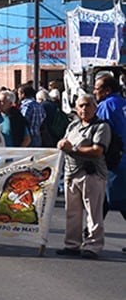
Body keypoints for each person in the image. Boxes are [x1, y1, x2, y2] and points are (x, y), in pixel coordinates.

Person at [56, 94, 109, 259]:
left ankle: (93, 246)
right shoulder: (73, 126)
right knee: (72, 212)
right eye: (81, 106)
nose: (84, 109)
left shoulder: (101, 127)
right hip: (71, 174)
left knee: (93, 213)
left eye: (87, 105)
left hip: (91, 174)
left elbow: (97, 150)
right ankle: (72, 244)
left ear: (95, 108)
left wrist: (72, 149)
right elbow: (65, 142)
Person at [91, 74, 126, 220]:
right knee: (105, 199)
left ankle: (91, 233)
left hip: (114, 159)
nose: (94, 92)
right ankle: (90, 232)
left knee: (116, 199)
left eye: (97, 88)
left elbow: (99, 130)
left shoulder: (106, 106)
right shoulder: (123, 102)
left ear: (107, 90)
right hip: (123, 158)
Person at [18, 83, 45, 147]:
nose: (18, 96)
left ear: (23, 94)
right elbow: (44, 116)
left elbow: (22, 120)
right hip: (37, 135)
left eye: (18, 94)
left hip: (28, 137)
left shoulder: (26, 105)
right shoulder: (38, 105)